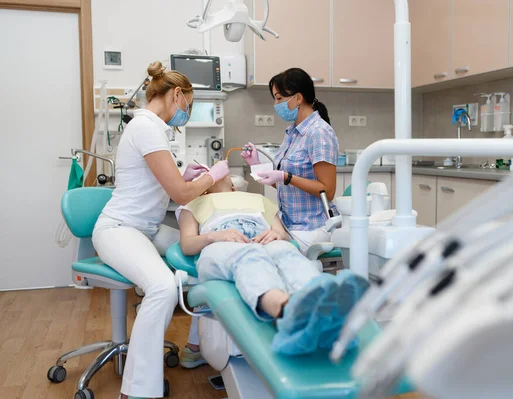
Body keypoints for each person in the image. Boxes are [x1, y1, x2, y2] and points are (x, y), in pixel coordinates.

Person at [92, 61, 230, 399]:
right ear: (177, 95)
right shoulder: (145, 128)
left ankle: (196, 346)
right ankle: (137, 391)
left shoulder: (153, 129)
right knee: (163, 288)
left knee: (205, 259)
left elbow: (166, 183)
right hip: (119, 229)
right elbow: (180, 194)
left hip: (146, 229)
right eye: (189, 106)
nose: (187, 114)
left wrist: (186, 177)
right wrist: (212, 175)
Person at [176, 174, 369, 355]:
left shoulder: (258, 199)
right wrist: (213, 236)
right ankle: (285, 311)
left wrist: (278, 235)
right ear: (203, 189)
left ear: (234, 186)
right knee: (250, 255)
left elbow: (281, 233)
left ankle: (326, 308)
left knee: (287, 253)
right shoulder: (194, 204)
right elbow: (187, 244)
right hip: (221, 245)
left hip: (265, 242)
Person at [241, 68, 339, 254]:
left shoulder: (319, 132)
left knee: (267, 254)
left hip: (313, 228)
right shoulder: (292, 132)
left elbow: (328, 190)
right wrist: (256, 165)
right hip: (289, 223)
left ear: (298, 98)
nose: (276, 104)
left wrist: (286, 176)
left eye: (279, 98)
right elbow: (287, 187)